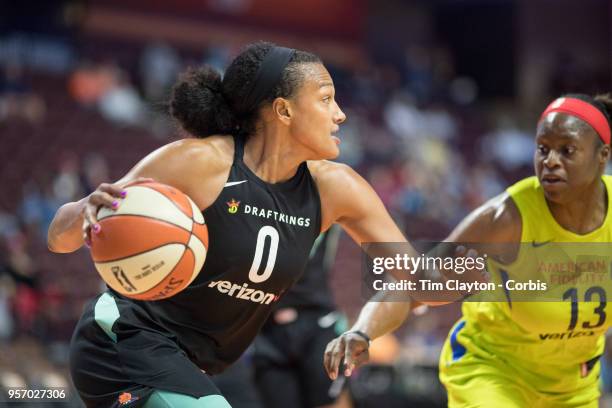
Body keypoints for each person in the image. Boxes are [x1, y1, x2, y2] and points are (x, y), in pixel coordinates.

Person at [47, 42, 428, 408]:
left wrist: (482, 269)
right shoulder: (200, 163)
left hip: (195, 363)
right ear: (283, 110)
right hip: (124, 340)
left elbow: (420, 282)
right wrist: (84, 209)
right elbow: (58, 239)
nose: (340, 113)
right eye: (326, 98)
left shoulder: (338, 188)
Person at [324, 93, 612, 407]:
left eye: (567, 150)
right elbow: (414, 285)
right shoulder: (506, 218)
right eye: (543, 149)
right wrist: (363, 332)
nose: (550, 161)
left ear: (603, 156)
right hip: (492, 371)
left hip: (571, 385)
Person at [253, 226, 352, 408]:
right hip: (267, 325)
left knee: (331, 401)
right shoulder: (254, 202)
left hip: (317, 319)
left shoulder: (325, 200)